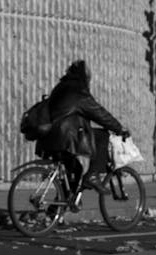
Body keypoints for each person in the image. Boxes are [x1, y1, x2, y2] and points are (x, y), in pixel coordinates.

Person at [37, 59, 125, 199]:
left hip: (49, 138)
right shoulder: (78, 91)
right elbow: (99, 113)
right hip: (64, 137)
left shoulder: (61, 87)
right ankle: (93, 175)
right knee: (103, 136)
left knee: (75, 171)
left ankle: (56, 213)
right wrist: (119, 128)